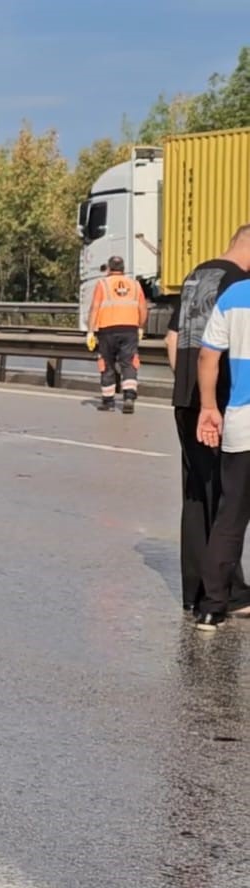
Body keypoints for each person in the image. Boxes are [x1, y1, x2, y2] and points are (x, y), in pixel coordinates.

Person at [169, 224, 250, 617]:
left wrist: (185, 384)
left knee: (195, 495)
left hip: (185, 397)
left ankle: (193, 591)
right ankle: (226, 594)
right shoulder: (237, 283)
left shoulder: (195, 275)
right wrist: (212, 401)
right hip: (217, 400)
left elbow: (173, 339)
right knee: (227, 499)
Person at [192, 266, 250, 631]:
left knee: (230, 517)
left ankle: (213, 608)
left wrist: (209, 406)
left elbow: (207, 356)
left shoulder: (234, 296)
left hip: (243, 423)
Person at [86, 256, 148, 413]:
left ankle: (108, 401)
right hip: (129, 329)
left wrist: (91, 331)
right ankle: (128, 397)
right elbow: (143, 308)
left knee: (107, 364)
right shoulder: (135, 285)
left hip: (107, 329)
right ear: (123, 268)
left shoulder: (102, 284)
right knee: (129, 363)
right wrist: (140, 327)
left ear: (109, 268)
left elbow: (94, 307)